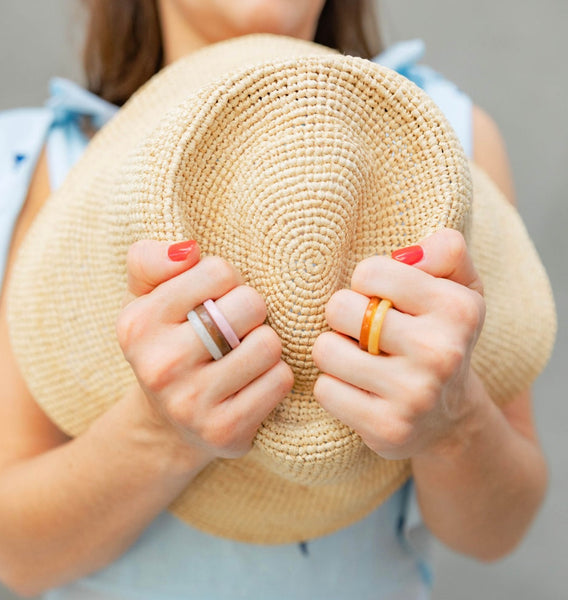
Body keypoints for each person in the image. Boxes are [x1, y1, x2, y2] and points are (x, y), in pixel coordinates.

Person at [0, 1, 551, 598]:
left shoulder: (442, 146)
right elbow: (15, 556)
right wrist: (156, 435)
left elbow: (498, 532)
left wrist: (456, 424)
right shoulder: (41, 164)